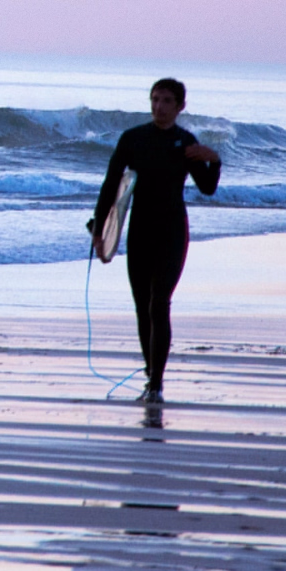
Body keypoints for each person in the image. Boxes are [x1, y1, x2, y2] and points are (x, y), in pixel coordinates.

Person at [91, 78, 222, 403]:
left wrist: (214, 161)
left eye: (166, 101)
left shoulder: (185, 142)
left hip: (172, 232)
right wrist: (100, 229)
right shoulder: (133, 139)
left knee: (158, 303)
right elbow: (111, 185)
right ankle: (152, 377)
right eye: (154, 99)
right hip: (140, 231)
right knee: (142, 308)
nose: (158, 106)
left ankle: (156, 386)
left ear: (180, 107)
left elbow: (207, 188)